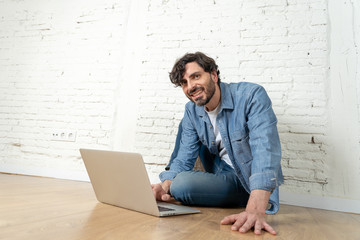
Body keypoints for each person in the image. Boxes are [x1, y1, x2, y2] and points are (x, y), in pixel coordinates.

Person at [152, 52, 283, 235]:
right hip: (218, 168)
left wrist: (256, 207)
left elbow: (266, 149)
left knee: (181, 185)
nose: (191, 87)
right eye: (184, 83)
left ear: (213, 75)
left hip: (244, 178)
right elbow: (184, 155)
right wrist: (163, 187)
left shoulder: (251, 96)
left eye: (195, 76)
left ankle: (188, 188)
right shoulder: (192, 109)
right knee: (188, 122)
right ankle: (171, 187)